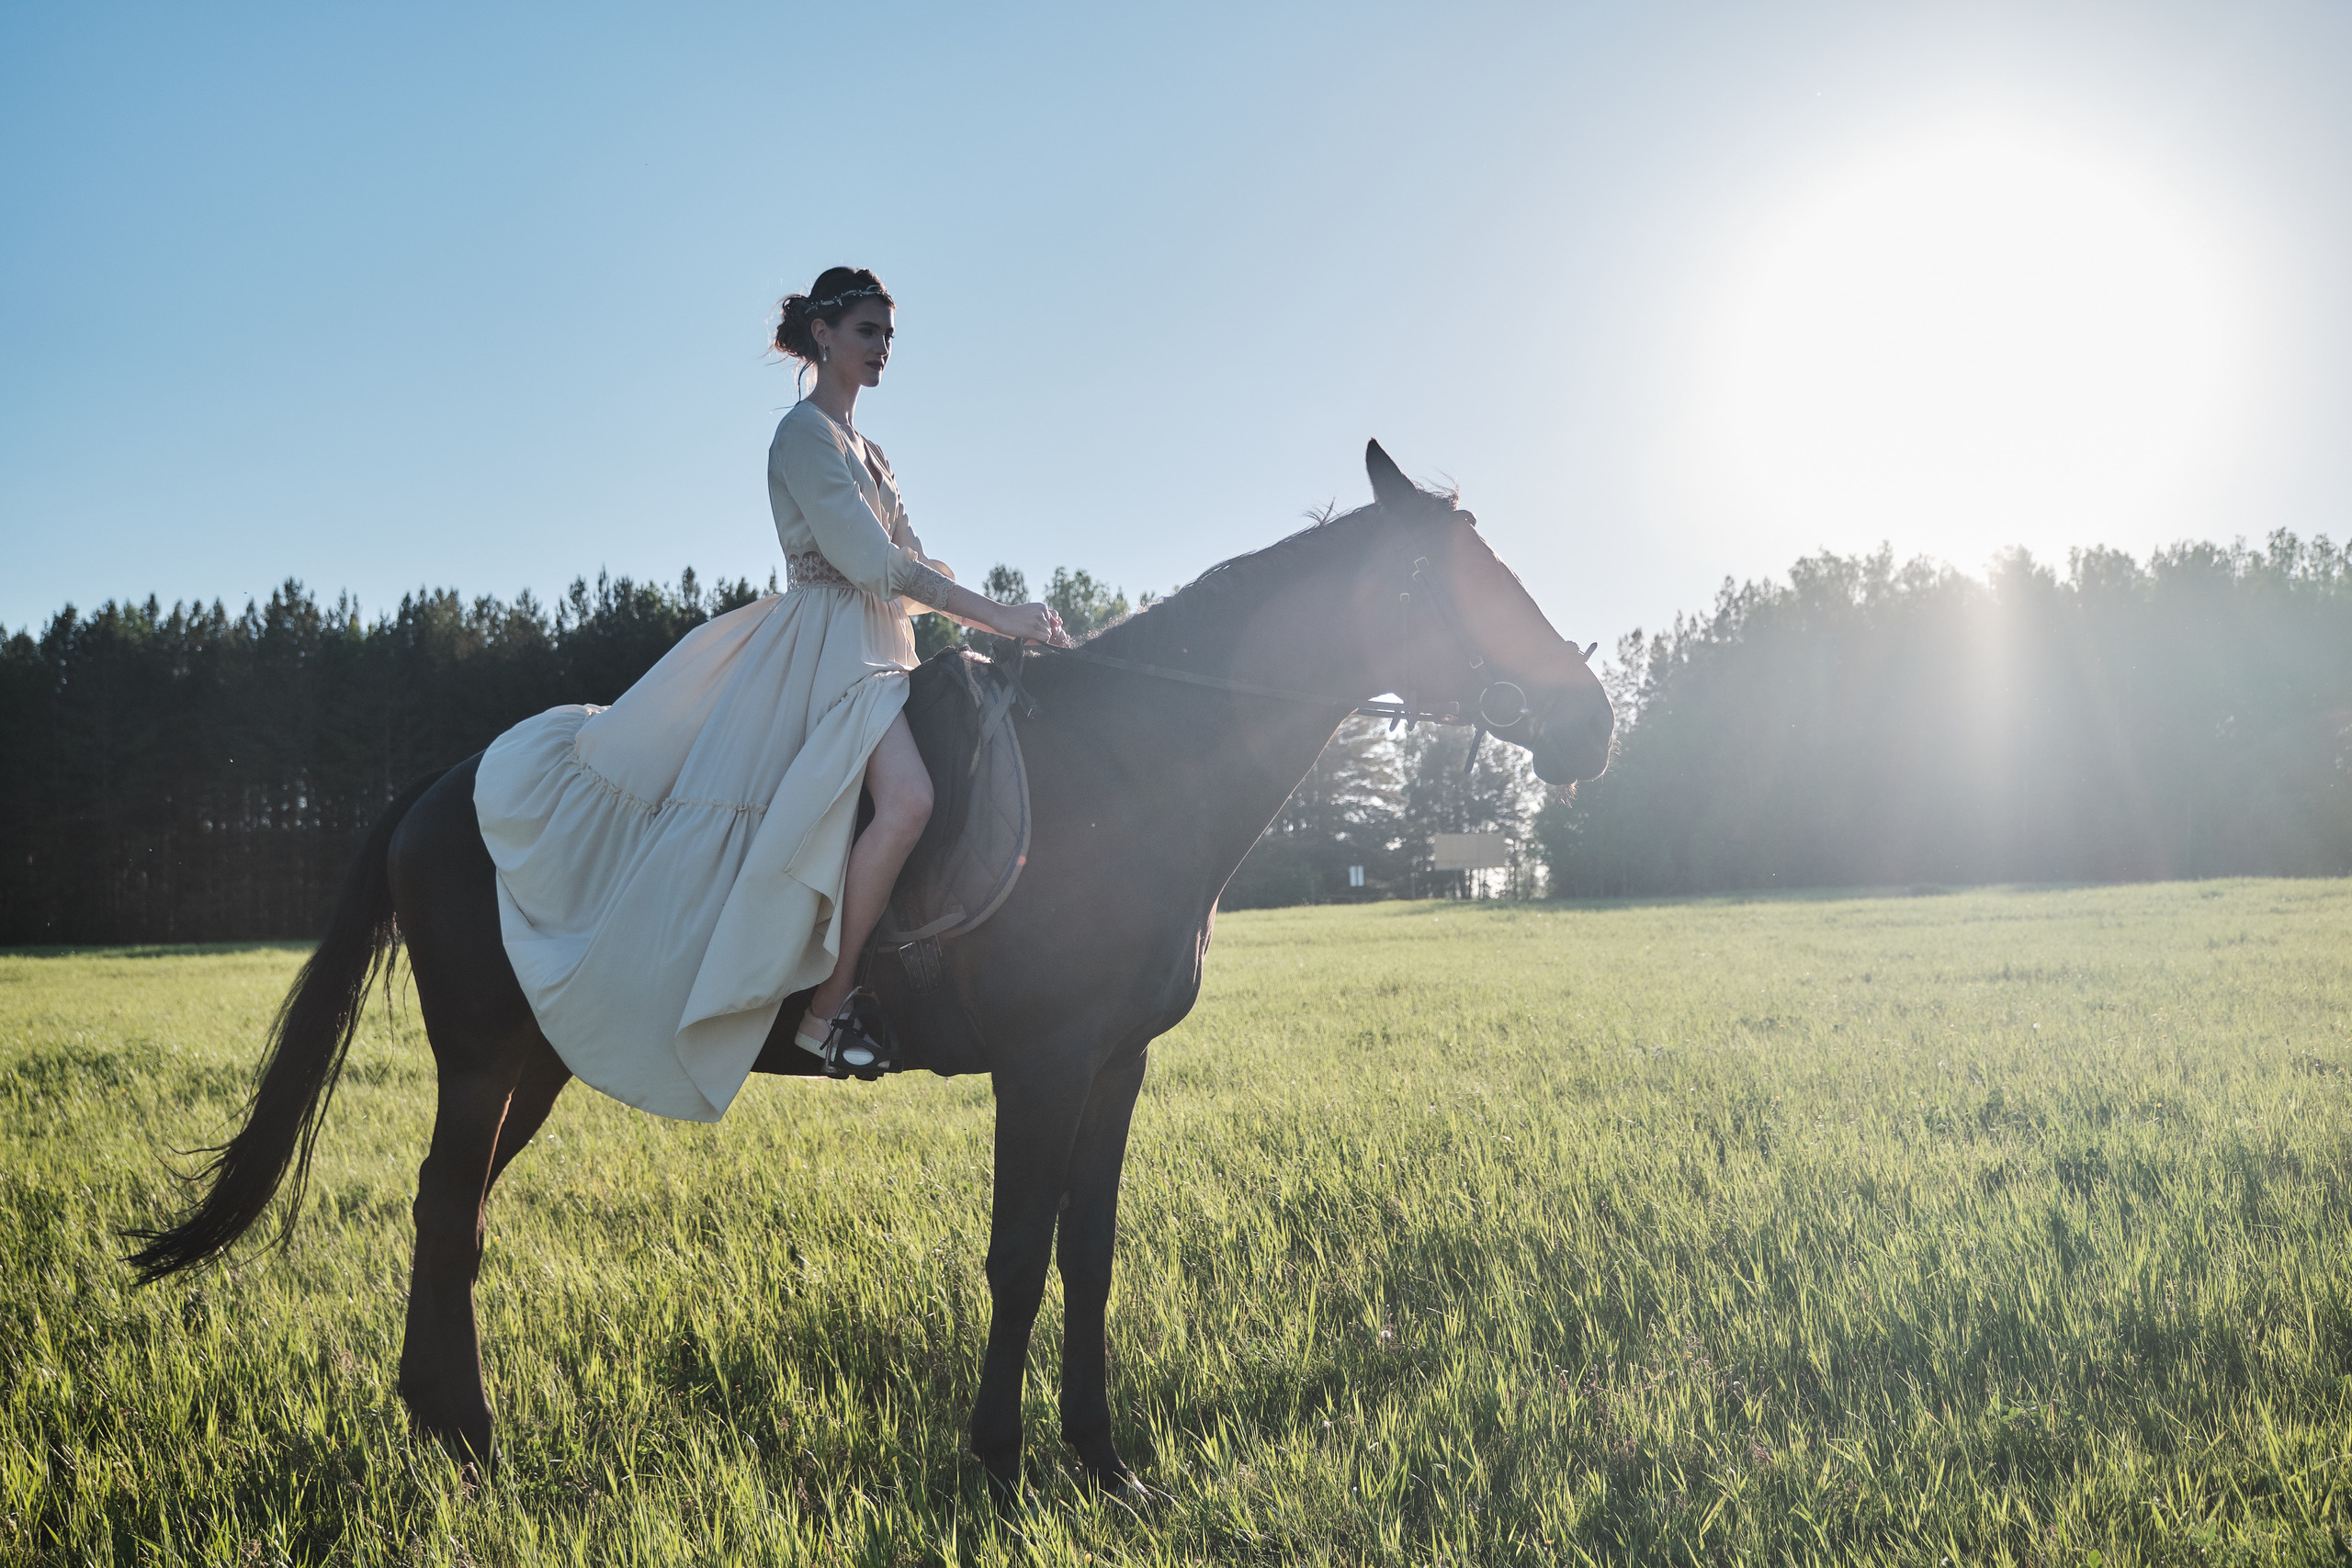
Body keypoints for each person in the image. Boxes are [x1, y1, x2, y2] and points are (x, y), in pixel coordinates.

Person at [472, 266, 1064, 1121]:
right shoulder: (802, 435)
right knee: (908, 801)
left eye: (889, 335)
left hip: (882, 649)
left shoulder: (874, 453)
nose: (882, 348)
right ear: (823, 334)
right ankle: (826, 1013)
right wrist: (1000, 614)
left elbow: (913, 566)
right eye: (867, 331)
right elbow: (872, 564)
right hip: (828, 654)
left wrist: (1000, 625)